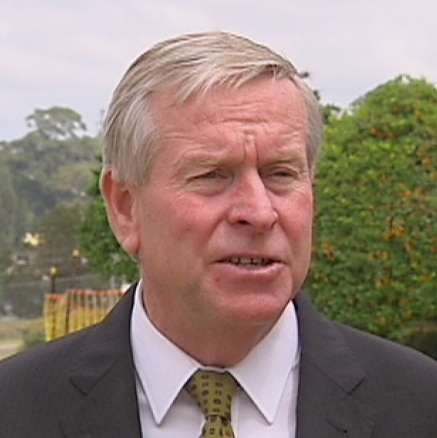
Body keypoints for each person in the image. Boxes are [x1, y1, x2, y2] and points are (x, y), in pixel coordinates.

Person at [0, 31, 436, 438]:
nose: (259, 212)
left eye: (281, 174)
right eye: (212, 175)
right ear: (125, 207)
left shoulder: (420, 405)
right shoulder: (16, 410)